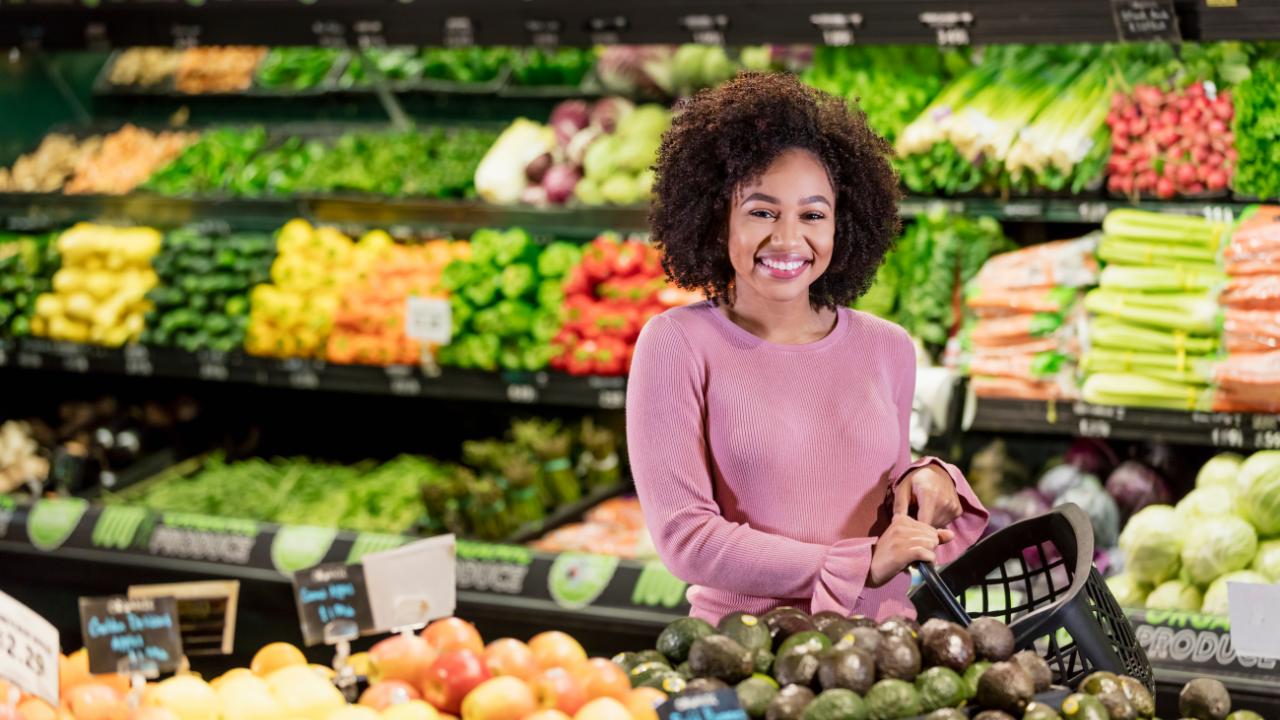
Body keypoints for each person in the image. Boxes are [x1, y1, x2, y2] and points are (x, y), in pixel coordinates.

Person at [627, 72, 988, 623]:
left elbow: (875, 497)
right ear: (715, 216)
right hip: (748, 651)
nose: (789, 240)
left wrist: (924, 480)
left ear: (844, 223)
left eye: (813, 214)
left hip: (883, 651)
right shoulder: (677, 344)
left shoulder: (886, 346)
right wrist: (856, 565)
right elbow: (686, 538)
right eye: (762, 211)